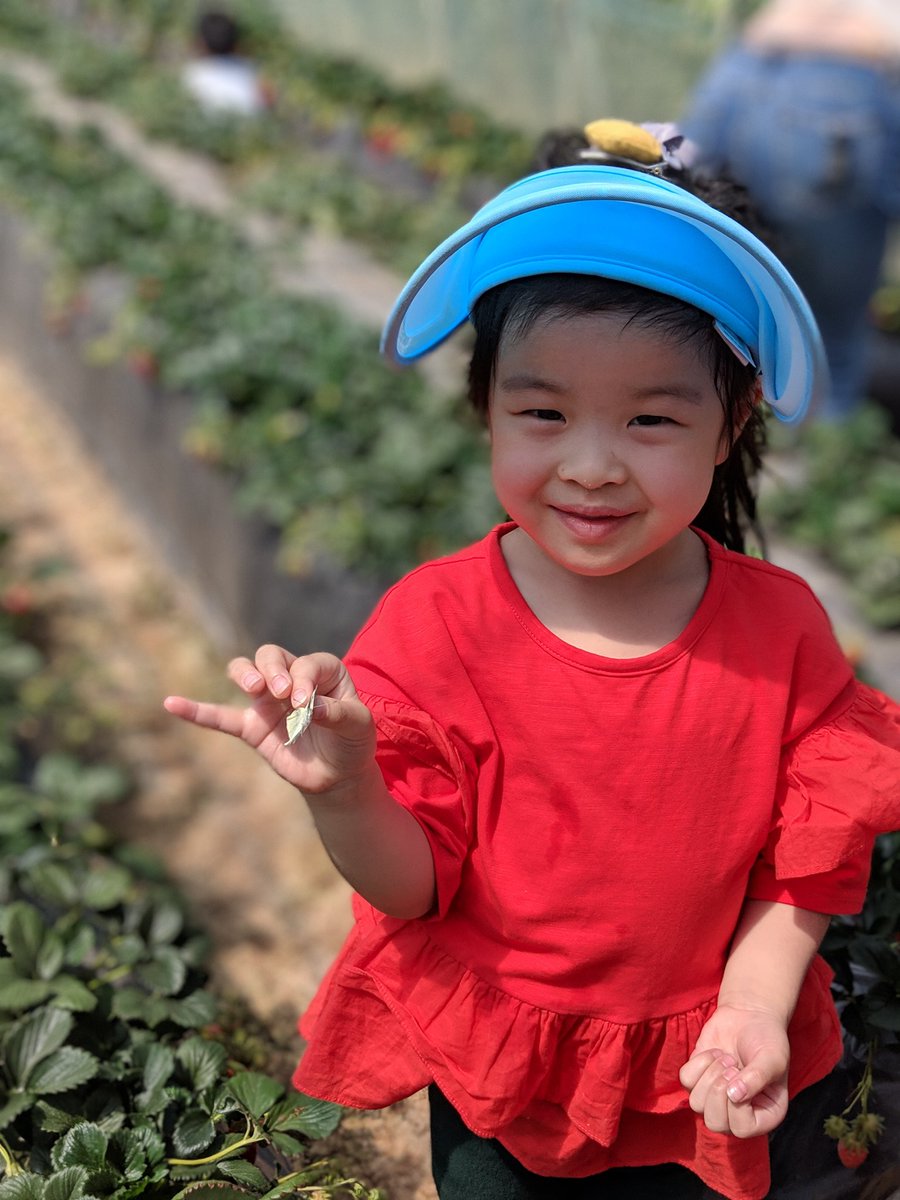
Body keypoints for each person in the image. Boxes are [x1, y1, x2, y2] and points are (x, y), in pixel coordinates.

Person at [163, 149, 900, 1199]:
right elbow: (413, 889)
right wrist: (350, 791)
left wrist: (755, 998)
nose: (592, 464)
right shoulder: (437, 626)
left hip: (699, 1074)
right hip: (500, 1080)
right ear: (487, 411)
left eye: (651, 419)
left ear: (732, 425)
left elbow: (808, 860)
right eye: (544, 414)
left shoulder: (777, 631)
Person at [681, 0, 900, 422]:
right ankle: (816, 465)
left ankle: (722, 438)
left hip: (744, 66)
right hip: (848, 82)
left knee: (717, 307)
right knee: (831, 341)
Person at [181, 9, 269, 118]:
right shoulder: (251, 70)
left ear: (201, 43)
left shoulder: (193, 74)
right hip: (250, 131)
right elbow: (266, 104)